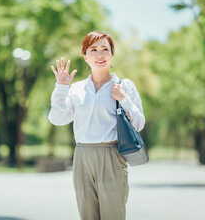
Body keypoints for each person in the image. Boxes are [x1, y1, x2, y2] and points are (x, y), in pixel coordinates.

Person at [48, 31, 145, 220]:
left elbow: (139, 123)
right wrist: (61, 88)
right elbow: (57, 118)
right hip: (82, 154)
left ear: (112, 55)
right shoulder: (76, 88)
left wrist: (124, 99)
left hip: (111, 154)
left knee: (113, 214)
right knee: (87, 215)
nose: (100, 55)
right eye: (93, 50)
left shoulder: (123, 86)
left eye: (105, 50)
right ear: (85, 55)